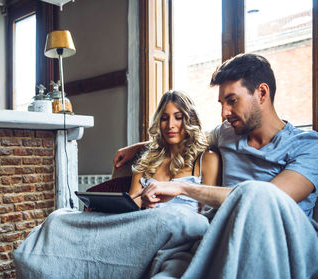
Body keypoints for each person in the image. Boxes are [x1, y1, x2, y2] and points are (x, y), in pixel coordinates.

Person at [115, 53, 318, 278]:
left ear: (261, 93)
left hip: (283, 239)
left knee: (257, 192)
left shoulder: (309, 146)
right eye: (222, 104)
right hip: (226, 234)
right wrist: (139, 147)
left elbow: (268, 198)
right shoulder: (227, 134)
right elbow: (186, 136)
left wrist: (182, 187)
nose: (224, 113)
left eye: (232, 101)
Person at [129, 90, 221, 211]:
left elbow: (208, 214)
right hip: (148, 226)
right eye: (164, 118)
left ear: (190, 120)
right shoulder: (145, 161)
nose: (170, 125)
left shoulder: (207, 159)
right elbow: (130, 212)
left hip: (187, 227)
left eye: (178, 118)